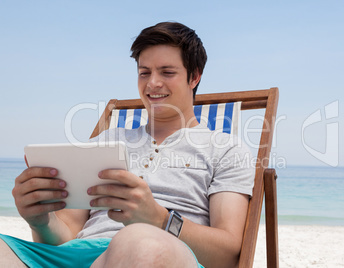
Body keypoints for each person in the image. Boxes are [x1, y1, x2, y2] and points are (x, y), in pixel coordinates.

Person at [0, 22, 254, 268]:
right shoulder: (107, 140)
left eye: (167, 72)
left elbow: (228, 256)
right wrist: (40, 221)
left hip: (161, 252)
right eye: (144, 72)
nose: (152, 83)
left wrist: (159, 219)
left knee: (137, 240)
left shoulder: (226, 149)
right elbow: (66, 239)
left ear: (194, 77)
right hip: (82, 256)